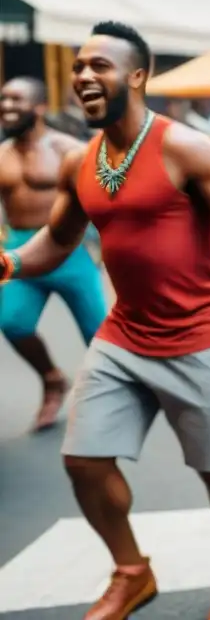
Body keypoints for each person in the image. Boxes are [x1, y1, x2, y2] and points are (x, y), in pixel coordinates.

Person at [0, 21, 210, 619]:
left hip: (200, 337)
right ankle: (131, 572)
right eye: (78, 67)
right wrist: (11, 262)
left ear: (137, 76)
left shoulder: (187, 148)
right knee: (83, 461)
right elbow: (57, 239)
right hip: (124, 336)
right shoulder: (82, 160)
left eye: (98, 66)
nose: (83, 77)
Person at [0, 76, 106, 430]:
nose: (7, 107)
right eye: (4, 100)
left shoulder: (67, 149)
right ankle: (51, 379)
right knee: (12, 322)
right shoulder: (1, 154)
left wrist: (109, 244)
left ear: (40, 107)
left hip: (68, 250)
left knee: (98, 333)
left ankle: (115, 395)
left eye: (17, 100)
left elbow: (104, 197)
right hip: (18, 251)